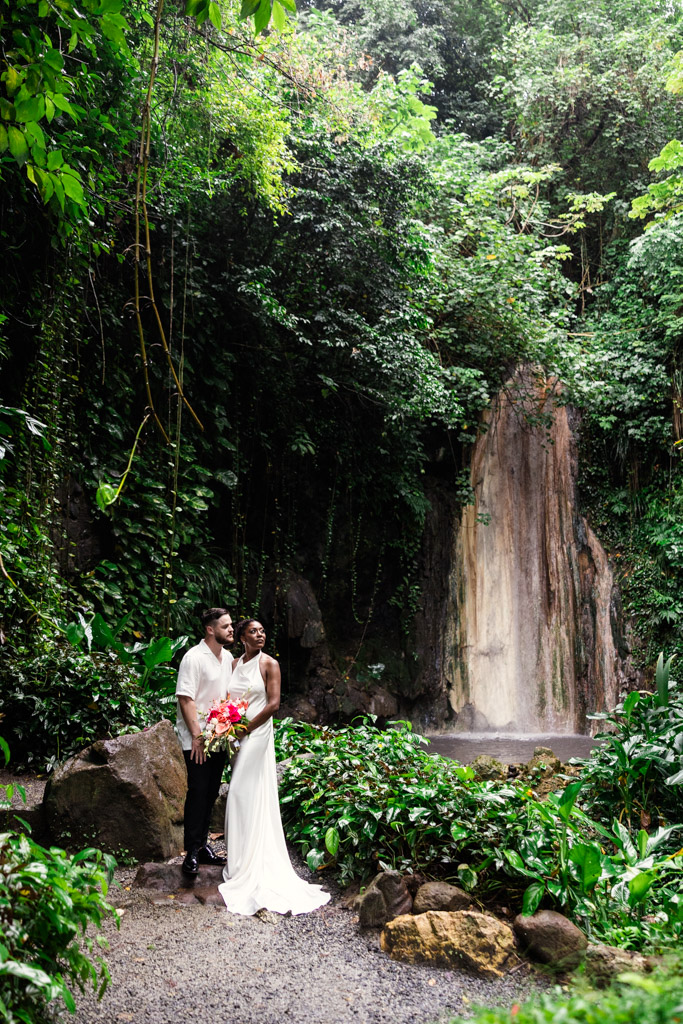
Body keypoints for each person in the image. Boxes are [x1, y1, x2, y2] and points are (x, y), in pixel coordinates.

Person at [218, 618, 330, 915]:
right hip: (236, 732)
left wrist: (245, 729)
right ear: (241, 637)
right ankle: (238, 862)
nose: (260, 635)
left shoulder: (270, 664)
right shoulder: (233, 664)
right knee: (244, 793)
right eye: (253, 632)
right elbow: (229, 699)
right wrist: (227, 723)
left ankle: (251, 865)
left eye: (262, 631)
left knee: (240, 791)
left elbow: (273, 704)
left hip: (257, 732)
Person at [176, 607, 234, 877]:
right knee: (198, 792)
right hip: (197, 739)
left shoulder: (228, 657)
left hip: (219, 737)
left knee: (211, 792)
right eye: (226, 626)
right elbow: (185, 698)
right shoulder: (193, 657)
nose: (231, 629)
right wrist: (198, 737)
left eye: (231, 625)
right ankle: (190, 852)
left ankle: (203, 846)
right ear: (210, 629)